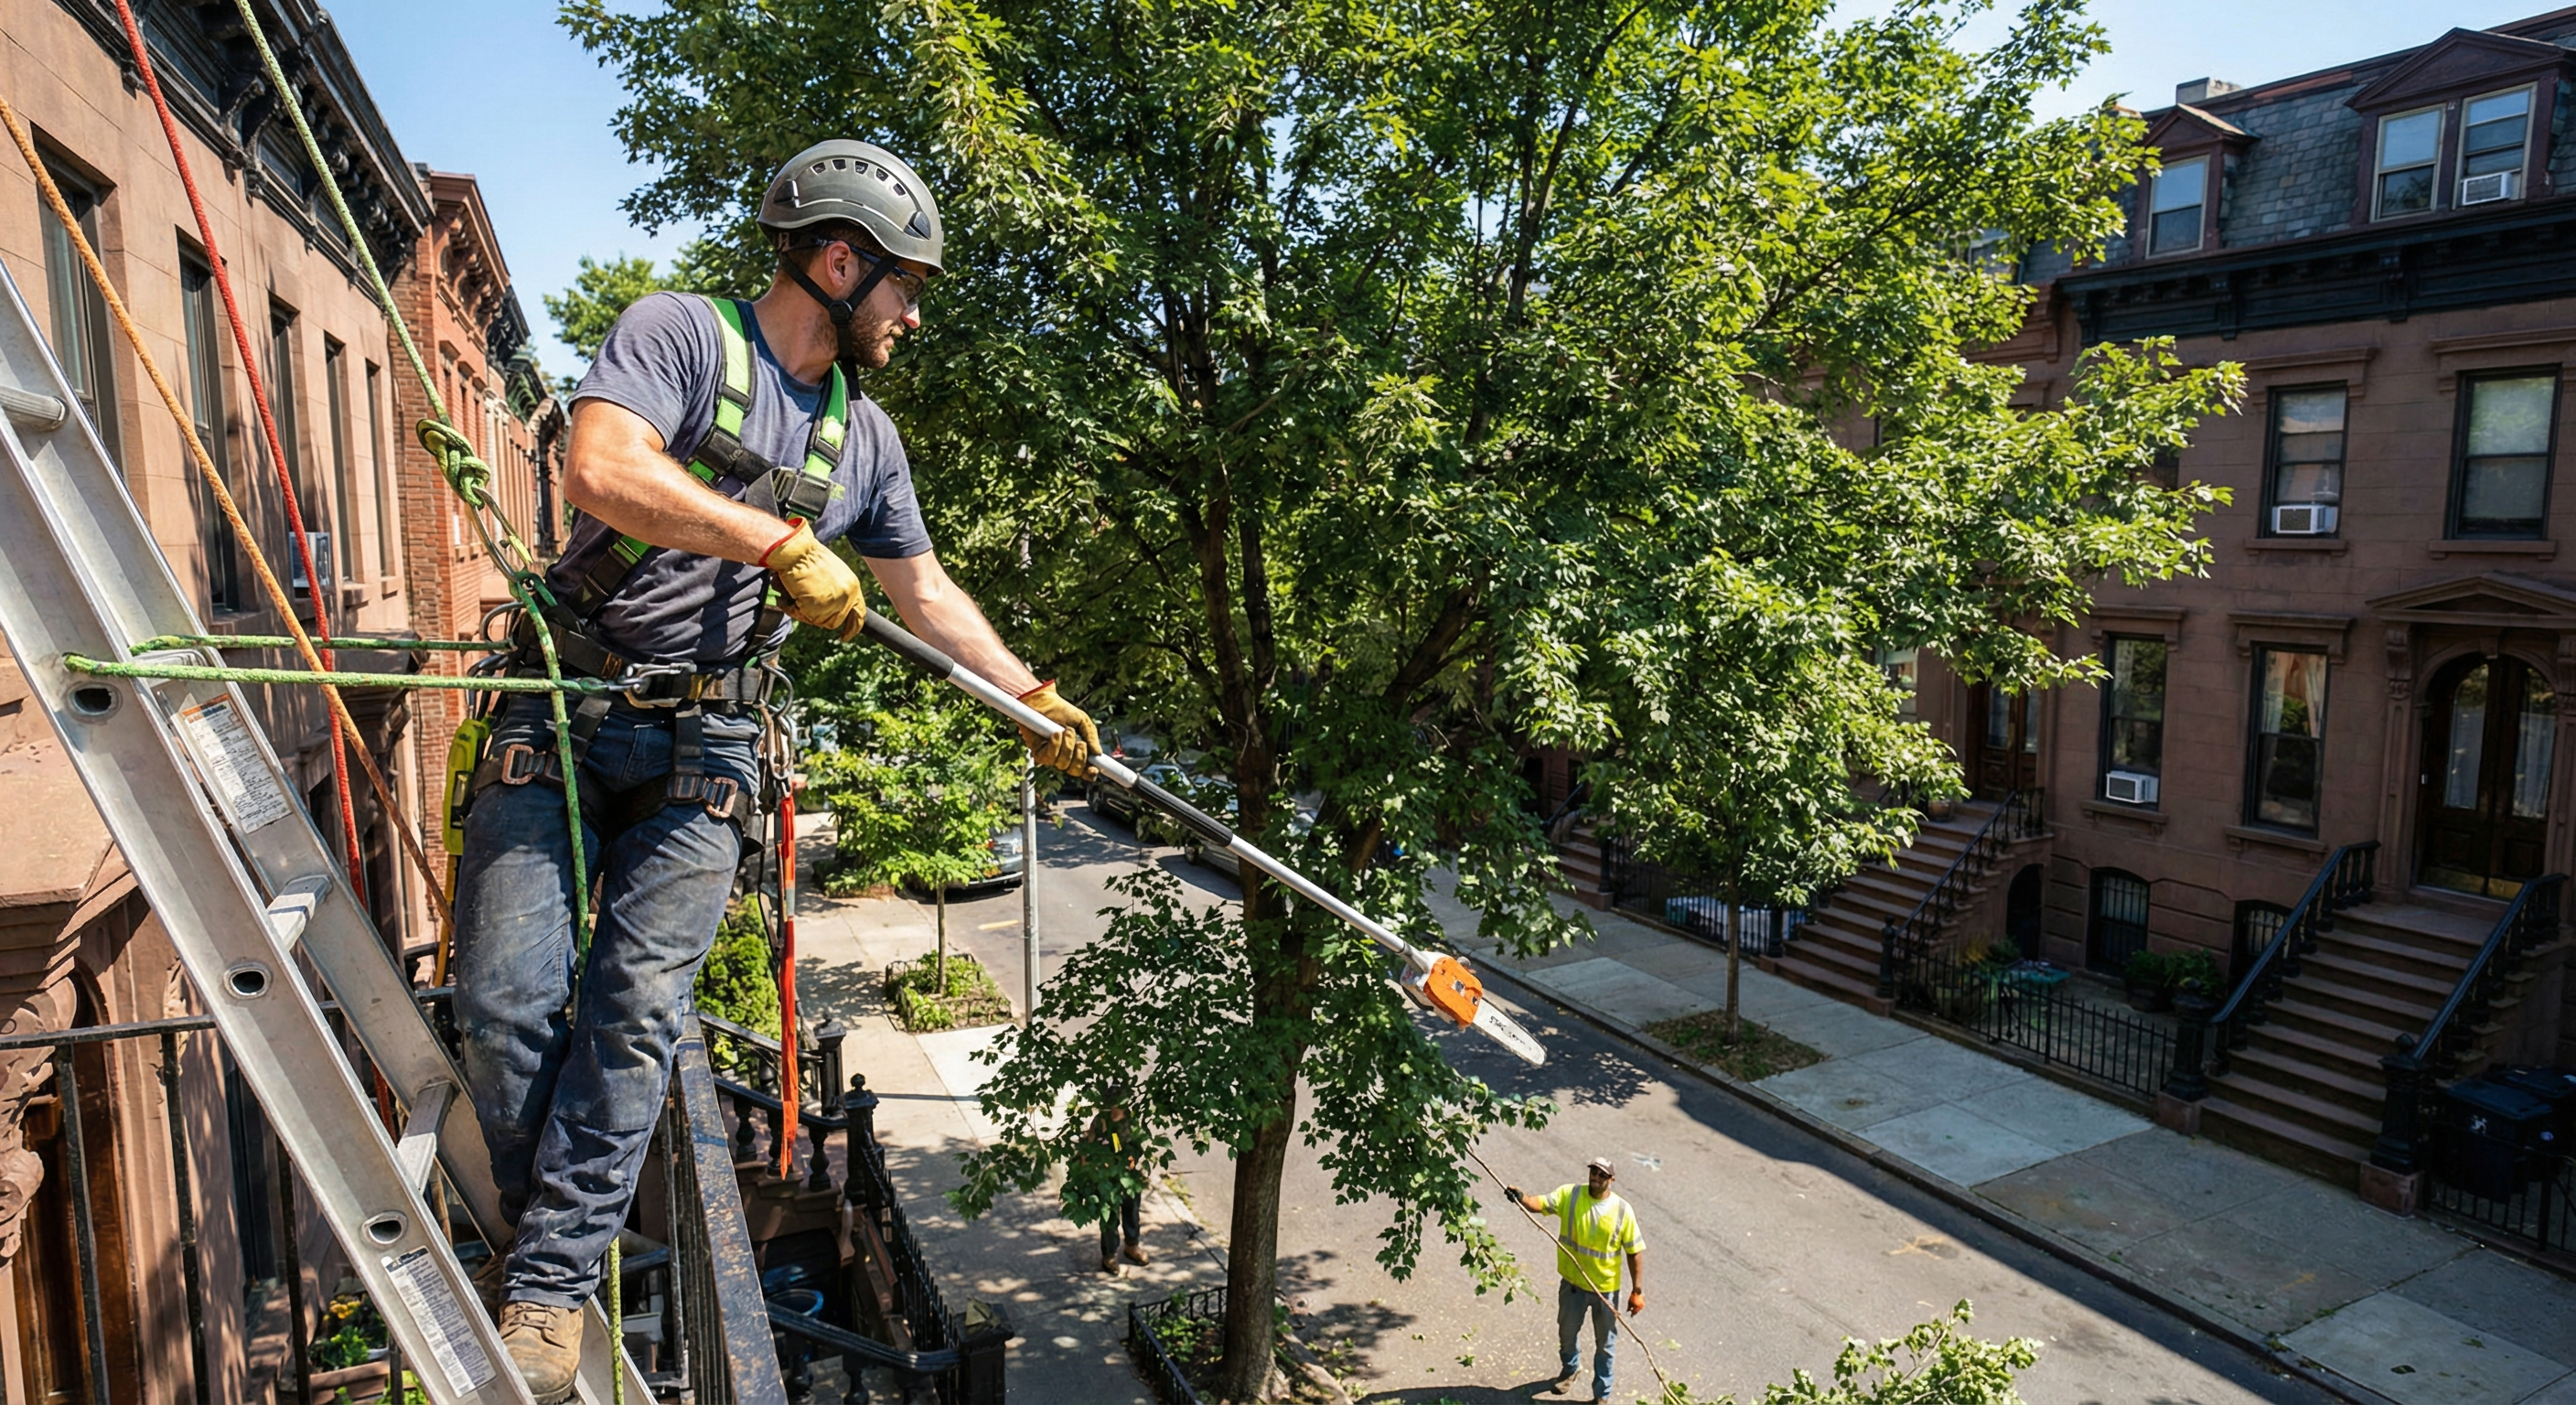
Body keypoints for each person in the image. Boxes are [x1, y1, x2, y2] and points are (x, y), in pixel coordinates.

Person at [450, 139, 1099, 1402]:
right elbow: (602, 468)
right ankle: (552, 1244)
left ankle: (547, 1285)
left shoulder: (870, 444)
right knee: (505, 1006)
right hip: (564, 707)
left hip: (708, 746)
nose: (913, 317)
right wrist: (772, 542)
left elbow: (923, 589)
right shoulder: (679, 336)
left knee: (635, 1012)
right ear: (840, 263)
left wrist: (1025, 696)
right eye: (906, 287)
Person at [1507, 1157, 1645, 1402]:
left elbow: (1634, 1252)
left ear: (1611, 1180)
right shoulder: (1570, 1195)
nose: (1596, 1178)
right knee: (1567, 1334)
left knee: (1605, 1347)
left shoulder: (1623, 1210)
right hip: (1572, 1286)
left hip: (1605, 1291)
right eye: (1594, 1172)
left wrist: (1637, 1291)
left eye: (1602, 1175)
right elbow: (1540, 1203)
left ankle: (1601, 1396)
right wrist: (1522, 1197)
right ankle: (1570, 1369)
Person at [1089, 1095, 1149, 1273]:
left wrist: (1132, 1160)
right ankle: (1109, 1254)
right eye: (1114, 1105)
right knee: (1109, 1216)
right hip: (1107, 1177)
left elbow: (1138, 1146)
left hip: (1128, 1175)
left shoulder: (1132, 1122)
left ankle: (1132, 1245)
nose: (1118, 1109)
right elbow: (1090, 1146)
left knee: (1132, 1210)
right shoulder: (1101, 1121)